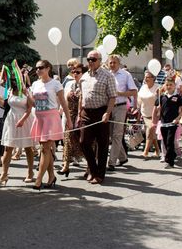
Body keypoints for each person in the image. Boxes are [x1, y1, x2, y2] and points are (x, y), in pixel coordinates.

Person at [29, 60, 72, 189]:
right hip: (39, 118)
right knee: (45, 150)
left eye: (41, 67)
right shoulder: (35, 84)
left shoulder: (55, 84)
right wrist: (27, 95)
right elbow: (33, 104)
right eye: (37, 68)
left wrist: (69, 120)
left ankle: (38, 180)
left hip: (51, 118)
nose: (38, 70)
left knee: (45, 149)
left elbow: (63, 103)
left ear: (48, 68)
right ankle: (51, 176)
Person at [78, 50, 117, 185]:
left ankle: (99, 174)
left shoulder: (107, 76)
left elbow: (112, 97)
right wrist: (79, 113)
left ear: (100, 61)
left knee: (102, 144)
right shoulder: (84, 76)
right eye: (88, 59)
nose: (90, 62)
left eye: (93, 59)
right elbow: (81, 96)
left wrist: (107, 112)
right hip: (86, 113)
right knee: (83, 142)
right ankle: (93, 169)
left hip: (101, 112)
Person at [0, 78, 35, 185]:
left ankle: (30, 172)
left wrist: (22, 120)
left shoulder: (26, 92)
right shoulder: (10, 91)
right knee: (8, 147)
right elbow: (6, 105)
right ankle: (4, 174)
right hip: (11, 119)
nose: (15, 82)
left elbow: (29, 108)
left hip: (25, 119)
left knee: (28, 147)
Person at [107, 55, 137, 170]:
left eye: (114, 62)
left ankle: (112, 162)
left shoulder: (126, 75)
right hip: (108, 107)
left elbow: (133, 91)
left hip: (120, 106)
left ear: (119, 63)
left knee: (117, 134)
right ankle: (123, 157)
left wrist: (120, 93)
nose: (112, 65)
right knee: (111, 134)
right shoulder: (106, 74)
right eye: (110, 62)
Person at [59, 62, 86, 176]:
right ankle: (65, 166)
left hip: (82, 116)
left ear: (83, 73)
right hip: (70, 115)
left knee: (85, 142)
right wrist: (62, 111)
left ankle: (89, 167)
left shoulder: (86, 84)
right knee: (67, 140)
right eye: (73, 72)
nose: (75, 74)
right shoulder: (69, 84)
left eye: (78, 72)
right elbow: (64, 100)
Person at [154, 78, 182, 168]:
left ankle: (170, 162)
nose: (169, 86)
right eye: (167, 85)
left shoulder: (178, 97)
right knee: (165, 142)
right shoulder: (162, 97)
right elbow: (156, 109)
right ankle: (173, 154)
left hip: (173, 123)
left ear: (174, 86)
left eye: (171, 85)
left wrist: (177, 118)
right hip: (163, 123)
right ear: (164, 86)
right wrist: (158, 110)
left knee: (170, 141)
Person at [137, 71, 160, 159]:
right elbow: (139, 101)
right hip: (145, 114)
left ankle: (145, 152)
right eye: (145, 77)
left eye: (148, 77)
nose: (145, 79)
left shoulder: (158, 87)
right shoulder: (143, 87)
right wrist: (138, 112)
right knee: (152, 133)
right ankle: (157, 150)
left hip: (155, 115)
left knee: (150, 131)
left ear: (153, 78)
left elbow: (161, 101)